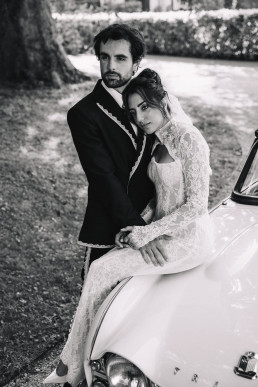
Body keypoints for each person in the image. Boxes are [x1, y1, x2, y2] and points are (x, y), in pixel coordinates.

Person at [43, 68, 213, 387]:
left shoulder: (190, 139)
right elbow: (161, 197)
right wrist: (137, 226)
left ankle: (73, 366)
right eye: (133, 111)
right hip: (160, 231)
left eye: (145, 107)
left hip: (187, 240)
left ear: (162, 101)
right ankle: (80, 357)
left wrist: (146, 234)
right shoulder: (158, 138)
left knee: (101, 271)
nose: (140, 116)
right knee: (104, 272)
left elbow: (196, 206)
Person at [66, 23, 162, 281]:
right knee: (103, 310)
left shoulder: (153, 101)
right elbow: (103, 178)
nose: (111, 66)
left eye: (120, 58)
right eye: (104, 57)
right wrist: (138, 231)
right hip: (110, 226)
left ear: (136, 63)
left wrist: (157, 225)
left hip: (158, 222)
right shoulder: (83, 114)